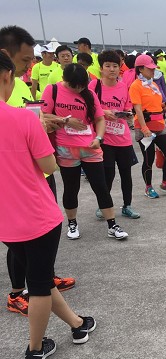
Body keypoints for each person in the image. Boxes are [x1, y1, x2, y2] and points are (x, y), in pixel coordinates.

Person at [0, 51, 96, 359]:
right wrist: (39, 130)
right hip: (36, 215)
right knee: (40, 285)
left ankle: (77, 324)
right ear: (7, 76)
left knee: (39, 276)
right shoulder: (23, 118)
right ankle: (35, 348)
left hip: (6, 221)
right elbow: (48, 165)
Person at [1, 25, 76, 316]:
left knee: (39, 238)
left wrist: (49, 121)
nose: (29, 65)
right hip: (20, 176)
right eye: (24, 59)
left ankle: (44, 277)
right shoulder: (7, 81)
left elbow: (34, 114)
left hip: (38, 172)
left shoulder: (20, 83)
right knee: (21, 238)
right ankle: (18, 291)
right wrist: (36, 129)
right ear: (5, 57)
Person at [41, 64, 129, 240]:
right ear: (65, 80)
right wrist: (66, 121)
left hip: (90, 147)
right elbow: (42, 115)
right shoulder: (53, 90)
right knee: (71, 188)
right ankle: (72, 223)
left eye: (81, 86)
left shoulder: (89, 94)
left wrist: (99, 138)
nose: (78, 90)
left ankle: (112, 225)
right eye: (74, 87)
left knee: (101, 187)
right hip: (66, 148)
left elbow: (99, 119)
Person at [89, 50, 141, 218]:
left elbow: (127, 106)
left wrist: (127, 114)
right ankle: (104, 206)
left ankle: (127, 205)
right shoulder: (94, 86)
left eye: (115, 66)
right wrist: (104, 111)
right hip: (104, 138)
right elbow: (88, 107)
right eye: (108, 66)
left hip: (122, 137)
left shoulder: (123, 86)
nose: (112, 69)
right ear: (101, 68)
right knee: (107, 174)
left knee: (126, 174)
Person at [129, 54, 166, 198]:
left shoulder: (153, 84)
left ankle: (165, 182)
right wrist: (144, 128)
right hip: (144, 127)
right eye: (150, 68)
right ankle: (148, 187)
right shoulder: (136, 86)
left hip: (159, 125)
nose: (153, 71)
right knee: (148, 159)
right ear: (140, 69)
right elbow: (138, 109)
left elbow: (157, 106)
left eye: (153, 68)